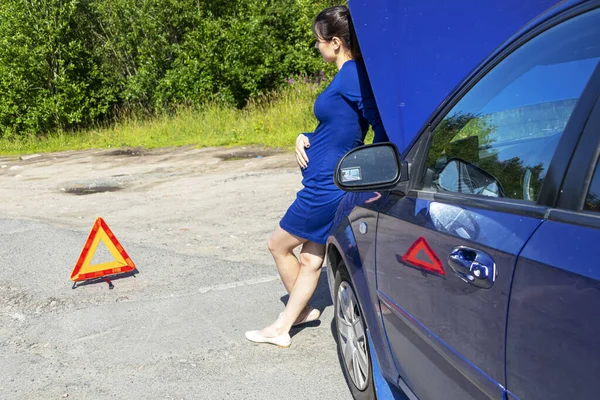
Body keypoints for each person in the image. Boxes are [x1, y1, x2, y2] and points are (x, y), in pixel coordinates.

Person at [245, 5, 388, 347]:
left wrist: (376, 167)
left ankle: (283, 325)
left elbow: (379, 124)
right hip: (325, 179)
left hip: (326, 185)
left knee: (277, 245)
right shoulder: (346, 76)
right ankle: (302, 313)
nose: (316, 46)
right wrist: (304, 135)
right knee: (311, 259)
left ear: (336, 42)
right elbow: (338, 124)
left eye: (319, 40)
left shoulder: (353, 74)